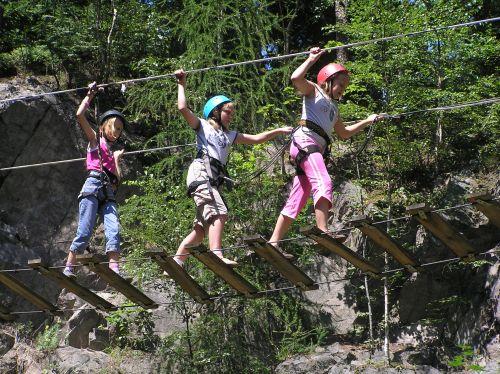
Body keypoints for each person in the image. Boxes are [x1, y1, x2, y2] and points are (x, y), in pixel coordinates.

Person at [268, 47, 387, 254]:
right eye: (340, 84)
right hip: (305, 143)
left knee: (298, 198)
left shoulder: (335, 109)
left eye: (345, 86)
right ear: (328, 81)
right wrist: (311, 59)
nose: (343, 89)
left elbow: (345, 133)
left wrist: (368, 121)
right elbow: (296, 77)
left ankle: (274, 242)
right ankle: (323, 230)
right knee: (323, 182)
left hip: (311, 150)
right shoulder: (314, 91)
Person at [171, 69, 293, 268]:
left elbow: (255, 139)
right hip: (202, 174)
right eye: (228, 112)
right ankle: (216, 254)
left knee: (201, 231)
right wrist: (181, 83)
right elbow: (182, 108)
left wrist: (278, 131)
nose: (231, 116)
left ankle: (177, 262)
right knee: (220, 213)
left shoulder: (229, 135)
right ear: (216, 112)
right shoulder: (202, 126)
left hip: (213, 180)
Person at [63, 82, 126, 277]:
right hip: (93, 185)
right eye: (114, 127)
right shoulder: (95, 141)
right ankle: (69, 267)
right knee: (85, 230)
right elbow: (79, 115)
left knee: (114, 228)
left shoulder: (111, 151)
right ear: (103, 127)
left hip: (107, 191)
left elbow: (117, 180)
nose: (116, 132)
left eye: (119, 130)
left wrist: (115, 159)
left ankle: (114, 267)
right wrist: (89, 95)